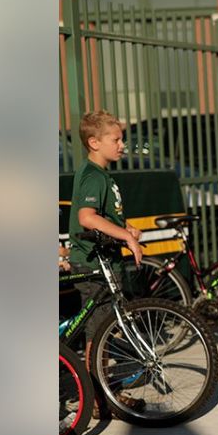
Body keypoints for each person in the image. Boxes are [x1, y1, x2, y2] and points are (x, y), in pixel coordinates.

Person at [67, 110, 144, 370]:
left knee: (104, 329)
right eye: (116, 140)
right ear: (94, 142)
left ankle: (103, 389)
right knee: (98, 332)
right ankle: (97, 395)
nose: (122, 145)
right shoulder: (93, 176)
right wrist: (125, 236)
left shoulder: (101, 174)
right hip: (92, 263)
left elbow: (104, 216)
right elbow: (87, 217)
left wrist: (126, 228)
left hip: (105, 261)